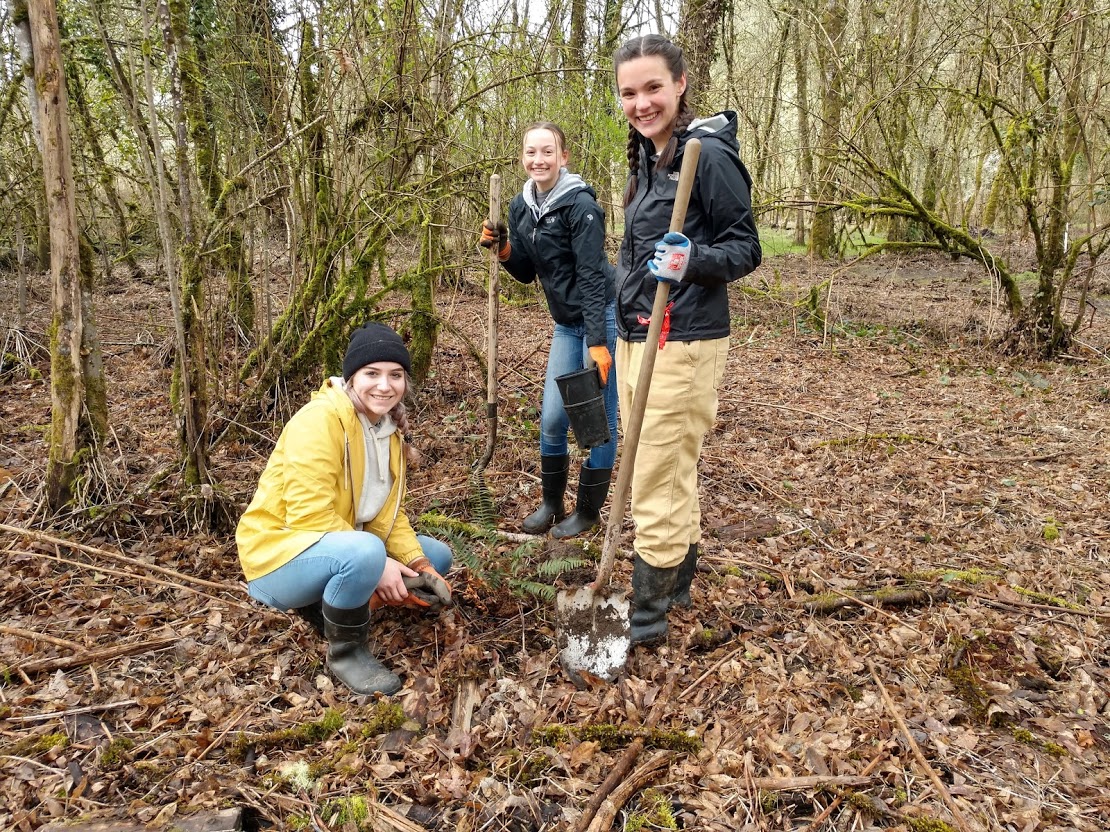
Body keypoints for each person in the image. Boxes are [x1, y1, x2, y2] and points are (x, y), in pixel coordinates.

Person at [612, 35, 762, 643]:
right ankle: (675, 585)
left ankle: (646, 616)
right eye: (629, 92)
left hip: (682, 338)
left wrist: (693, 259)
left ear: (679, 84)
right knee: (667, 469)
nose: (642, 102)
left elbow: (745, 246)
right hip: (636, 333)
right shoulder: (648, 158)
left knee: (653, 474)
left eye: (653, 87)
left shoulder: (708, 155)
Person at [236, 323, 453, 696]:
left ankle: (332, 607)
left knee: (439, 555)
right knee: (368, 554)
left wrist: (419, 565)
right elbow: (309, 515)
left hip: (336, 548)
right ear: (352, 377)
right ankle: (347, 651)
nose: (384, 386)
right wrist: (381, 565)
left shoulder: (386, 429)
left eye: (395, 375)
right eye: (372, 374)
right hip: (276, 559)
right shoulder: (318, 421)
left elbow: (389, 516)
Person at [480, 122, 619, 539]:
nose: (538, 160)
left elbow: (593, 277)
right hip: (565, 324)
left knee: (595, 420)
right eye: (530, 152)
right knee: (554, 418)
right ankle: (551, 503)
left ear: (563, 156)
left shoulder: (581, 207)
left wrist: (598, 342)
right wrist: (503, 248)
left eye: (547, 152)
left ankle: (588, 511)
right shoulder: (521, 206)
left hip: (601, 319)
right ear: (522, 157)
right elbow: (525, 272)